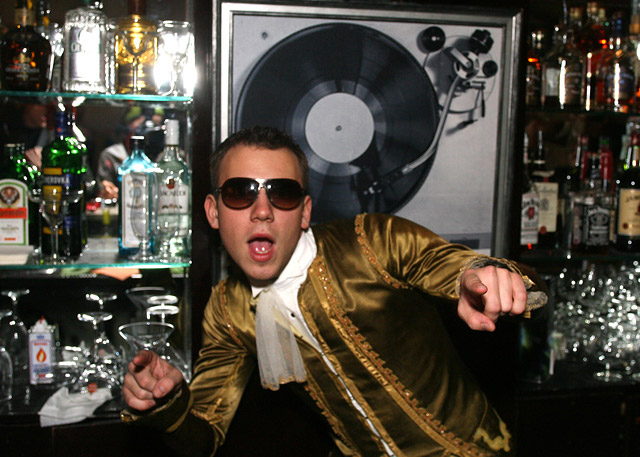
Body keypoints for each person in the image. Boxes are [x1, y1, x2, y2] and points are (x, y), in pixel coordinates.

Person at [121, 126, 547, 456]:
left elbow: (461, 269)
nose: (262, 211)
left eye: (282, 193)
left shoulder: (371, 242)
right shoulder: (228, 310)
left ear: (305, 211)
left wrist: (487, 277)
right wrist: (166, 404)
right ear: (213, 212)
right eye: (240, 192)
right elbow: (202, 439)